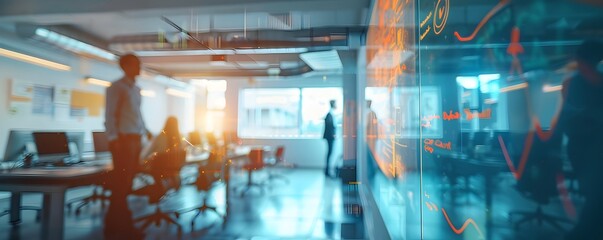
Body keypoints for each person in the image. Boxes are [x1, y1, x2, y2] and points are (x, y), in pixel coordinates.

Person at [104, 53, 151, 239]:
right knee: (121, 186)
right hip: (123, 140)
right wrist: (113, 139)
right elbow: (110, 115)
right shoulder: (117, 87)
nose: (140, 66)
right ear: (126, 66)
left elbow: (137, 114)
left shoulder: (136, 89)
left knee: (125, 185)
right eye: (136, 64)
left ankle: (114, 227)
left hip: (136, 139)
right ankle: (122, 228)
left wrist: (146, 130)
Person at [560, 40, 603, 239]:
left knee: (596, 203)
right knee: (596, 200)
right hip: (586, 151)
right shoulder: (576, 85)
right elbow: (573, 121)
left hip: (589, 149)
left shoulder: (589, 82)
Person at [366, 100, 379, 180]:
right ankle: (372, 171)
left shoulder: (370, 114)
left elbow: (368, 125)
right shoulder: (371, 113)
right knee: (371, 155)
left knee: (370, 155)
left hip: (370, 138)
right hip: (371, 138)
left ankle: (372, 171)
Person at [323, 100, 336, 178]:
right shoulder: (329, 115)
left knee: (330, 154)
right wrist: (333, 135)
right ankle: (327, 171)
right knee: (329, 153)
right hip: (330, 138)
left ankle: (327, 171)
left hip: (330, 138)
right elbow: (330, 127)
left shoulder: (331, 114)